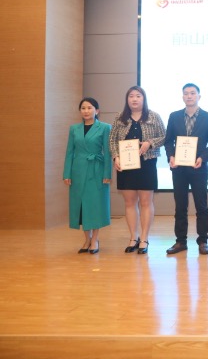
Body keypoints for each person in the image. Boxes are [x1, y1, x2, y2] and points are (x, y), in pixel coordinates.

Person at [109, 86, 166, 255]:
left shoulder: (154, 116)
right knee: (129, 202)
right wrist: (116, 157)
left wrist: (150, 143)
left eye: (138, 96)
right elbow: (112, 140)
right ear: (127, 99)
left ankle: (144, 238)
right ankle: (133, 237)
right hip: (126, 164)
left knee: (146, 202)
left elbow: (164, 136)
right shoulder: (119, 117)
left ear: (144, 98)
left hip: (147, 163)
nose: (134, 99)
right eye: (131, 96)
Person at [164, 83, 208, 255]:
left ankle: (203, 240)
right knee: (180, 206)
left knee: (201, 205)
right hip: (179, 168)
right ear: (182, 97)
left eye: (193, 93)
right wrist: (171, 156)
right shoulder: (174, 116)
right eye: (186, 93)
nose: (189, 96)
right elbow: (168, 141)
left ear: (199, 96)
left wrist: (203, 158)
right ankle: (180, 241)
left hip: (198, 168)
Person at [63, 97, 112, 254]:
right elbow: (69, 152)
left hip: (96, 170)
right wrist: (67, 173)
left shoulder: (105, 127)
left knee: (95, 205)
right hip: (78, 170)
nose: (86, 111)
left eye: (89, 108)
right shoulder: (74, 129)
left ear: (97, 111)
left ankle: (95, 239)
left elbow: (107, 153)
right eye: (83, 108)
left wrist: (107, 173)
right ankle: (87, 239)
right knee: (81, 205)